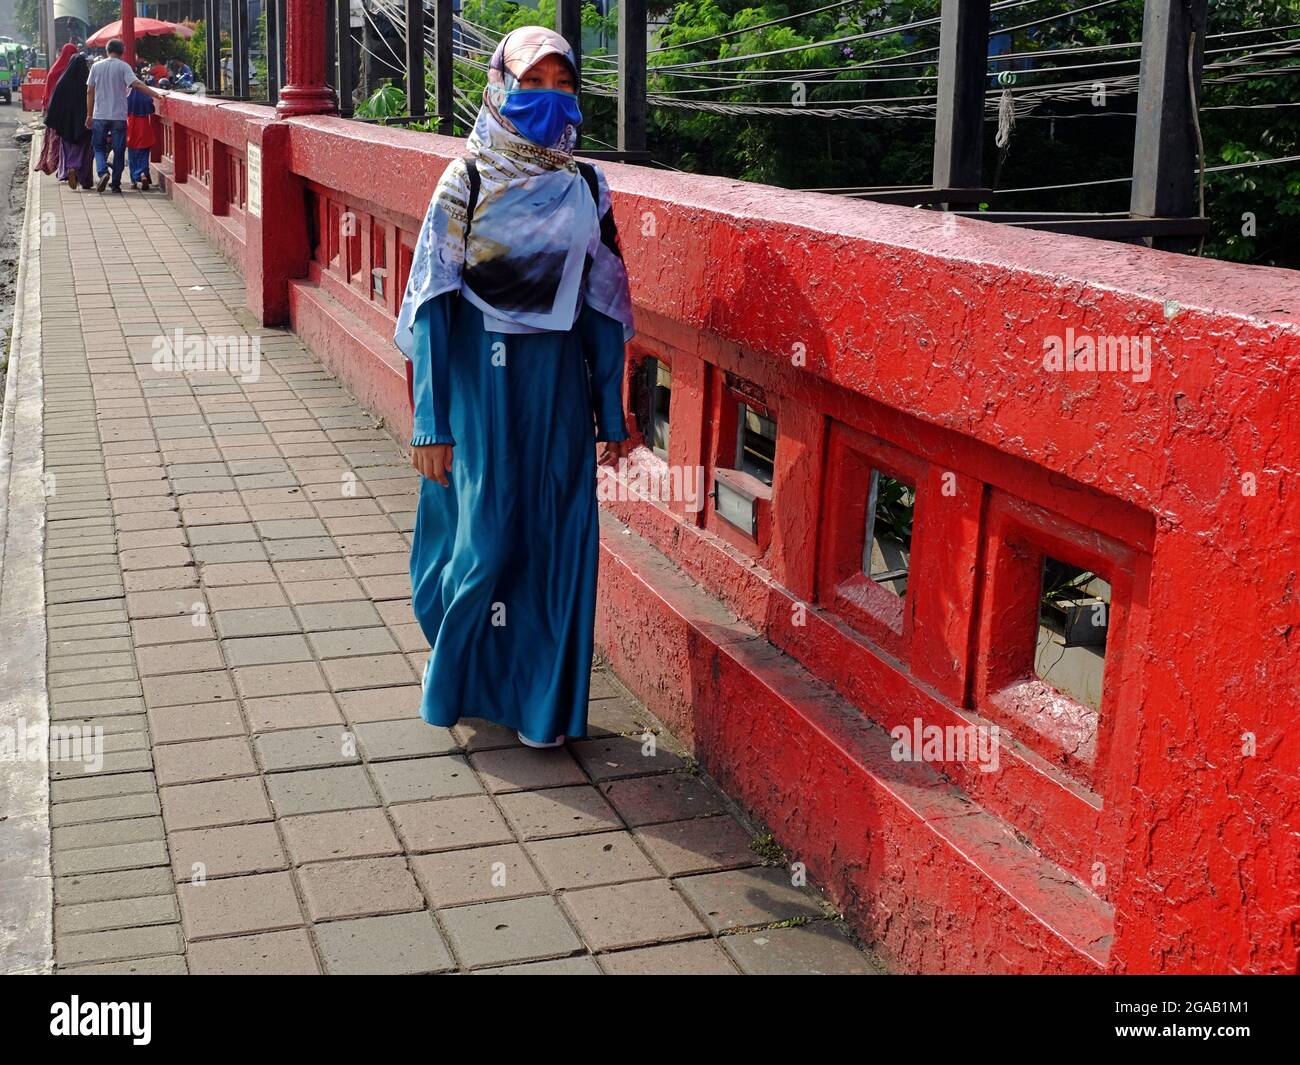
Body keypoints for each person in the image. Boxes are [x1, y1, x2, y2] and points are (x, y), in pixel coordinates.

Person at [394, 26, 635, 749]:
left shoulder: (587, 185)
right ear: (502, 86)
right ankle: (460, 678)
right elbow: (434, 305)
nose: (551, 100)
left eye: (565, 87)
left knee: (560, 543)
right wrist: (430, 421)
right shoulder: (464, 180)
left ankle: (543, 709)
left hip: (557, 385)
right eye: (534, 84)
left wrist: (613, 407)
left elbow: (601, 301)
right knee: (489, 542)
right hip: (480, 380)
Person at [85, 38, 167, 193]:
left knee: (98, 147)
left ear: (107, 51)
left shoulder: (96, 66)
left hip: (99, 115)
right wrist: (157, 95)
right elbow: (137, 84)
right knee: (119, 150)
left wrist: (89, 114)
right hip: (119, 116)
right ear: (122, 52)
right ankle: (116, 183)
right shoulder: (124, 67)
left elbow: (89, 91)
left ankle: (102, 172)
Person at [44, 51, 93, 190]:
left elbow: (54, 104)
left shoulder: (63, 81)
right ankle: (85, 179)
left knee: (68, 147)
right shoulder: (88, 81)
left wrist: (53, 121)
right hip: (84, 123)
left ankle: (71, 168)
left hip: (65, 125)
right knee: (85, 150)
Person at [33, 42, 77, 176]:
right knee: (65, 140)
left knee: (54, 139)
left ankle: (54, 165)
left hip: (53, 111)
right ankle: (63, 167)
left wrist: (45, 107)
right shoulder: (73, 70)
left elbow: (47, 91)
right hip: (69, 111)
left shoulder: (54, 70)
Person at [126, 84, 155, 191]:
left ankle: (133, 182)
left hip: (132, 131)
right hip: (144, 130)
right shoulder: (146, 98)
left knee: (132, 157)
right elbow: (152, 108)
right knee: (144, 156)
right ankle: (143, 174)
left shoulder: (128, 99)